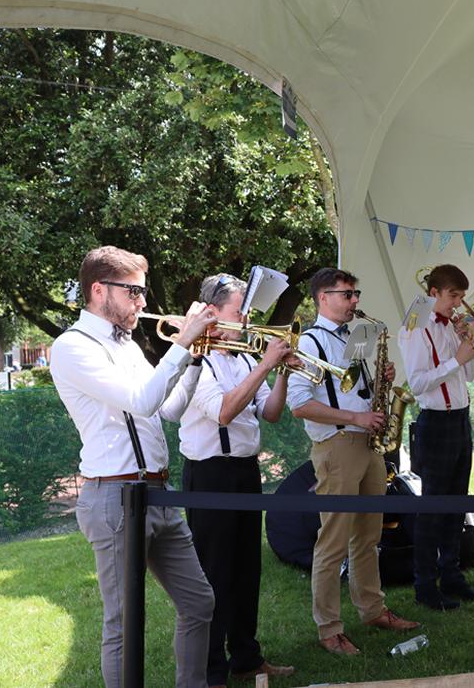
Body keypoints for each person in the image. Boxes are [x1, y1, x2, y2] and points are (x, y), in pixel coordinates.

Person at [50, 245, 218, 688]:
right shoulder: (71, 346)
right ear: (99, 290)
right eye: (135, 292)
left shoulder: (126, 345)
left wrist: (197, 357)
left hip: (158, 495)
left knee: (199, 602)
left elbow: (168, 409)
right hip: (114, 496)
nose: (143, 303)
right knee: (122, 623)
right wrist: (181, 343)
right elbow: (142, 399)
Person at [287, 267, 419, 656]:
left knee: (369, 536)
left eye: (355, 293)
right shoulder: (309, 343)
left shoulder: (357, 335)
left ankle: (373, 610)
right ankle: (329, 629)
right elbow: (299, 405)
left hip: (368, 444)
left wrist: (381, 380)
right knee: (332, 542)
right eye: (346, 294)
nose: (354, 301)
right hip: (338, 444)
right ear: (322, 298)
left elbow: (358, 391)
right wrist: (357, 418)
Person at [175, 273, 298, 686]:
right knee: (213, 574)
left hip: (245, 470)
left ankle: (247, 657)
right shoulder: (198, 360)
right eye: (239, 310)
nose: (247, 318)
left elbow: (272, 413)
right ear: (212, 313)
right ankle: (212, 671)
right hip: (210, 474)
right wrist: (266, 363)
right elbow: (225, 412)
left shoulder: (244, 358)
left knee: (247, 569)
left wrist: (280, 372)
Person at [398, 264, 474, 610]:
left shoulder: (450, 326)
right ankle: (425, 584)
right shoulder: (414, 327)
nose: (458, 304)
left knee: (457, 504)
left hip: (460, 421)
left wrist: (466, 348)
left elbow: (470, 376)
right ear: (434, 292)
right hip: (435, 423)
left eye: (461, 298)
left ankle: (452, 575)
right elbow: (418, 383)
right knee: (432, 509)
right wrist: (456, 359)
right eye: (454, 296)